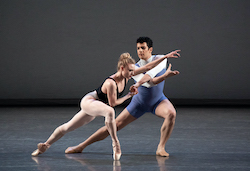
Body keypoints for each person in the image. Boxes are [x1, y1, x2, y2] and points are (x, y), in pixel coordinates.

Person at [31, 51, 173, 160]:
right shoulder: (111, 82)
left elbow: (148, 66)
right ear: (122, 68)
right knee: (110, 112)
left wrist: (165, 57)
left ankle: (45, 145)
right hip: (90, 101)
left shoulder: (127, 75)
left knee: (68, 127)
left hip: (98, 106)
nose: (132, 74)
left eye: (132, 71)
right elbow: (113, 103)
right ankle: (116, 144)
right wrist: (129, 96)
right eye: (129, 71)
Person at [65, 37, 180, 157]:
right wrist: (163, 77)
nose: (140, 51)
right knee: (114, 126)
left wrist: (165, 70)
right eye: (138, 48)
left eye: (143, 48)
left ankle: (161, 148)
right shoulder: (133, 68)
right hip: (139, 103)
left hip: (158, 101)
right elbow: (150, 82)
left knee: (171, 114)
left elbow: (151, 72)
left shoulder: (161, 59)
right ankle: (81, 146)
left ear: (150, 49)